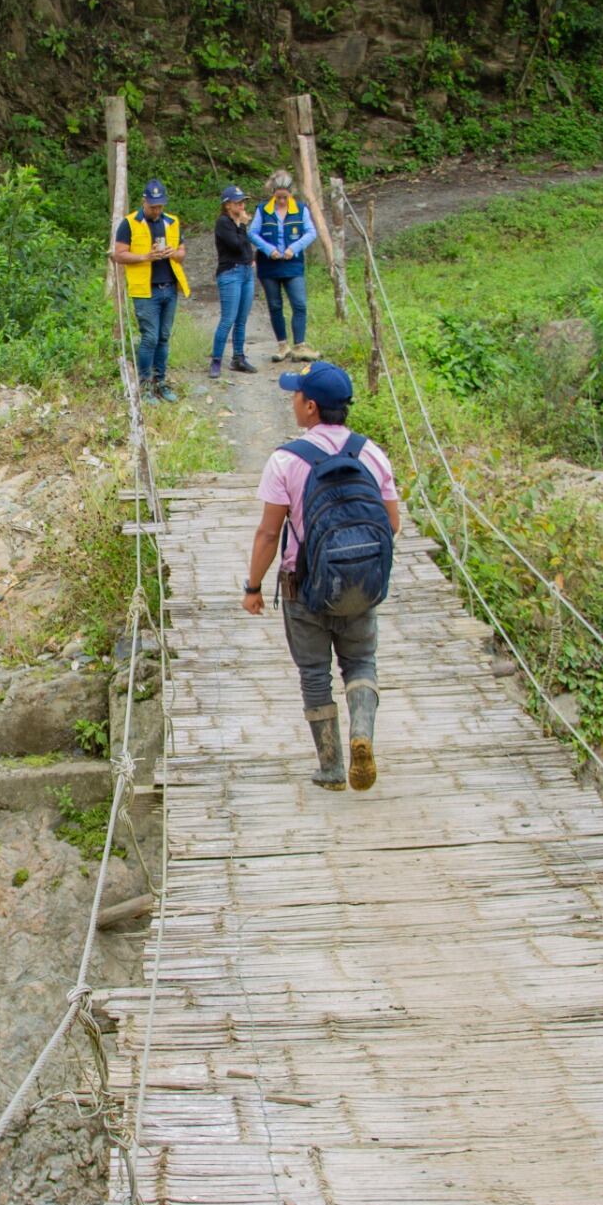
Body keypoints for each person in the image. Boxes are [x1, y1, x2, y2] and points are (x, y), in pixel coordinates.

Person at [241, 361, 401, 791]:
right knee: (361, 662)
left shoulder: (286, 460)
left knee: (315, 674)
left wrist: (253, 586)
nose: (293, 401)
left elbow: (269, 532)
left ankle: (331, 768)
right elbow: (393, 524)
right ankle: (362, 734)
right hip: (362, 585)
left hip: (303, 587)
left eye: (296, 395)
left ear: (310, 407)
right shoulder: (372, 453)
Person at [110, 178, 189, 400]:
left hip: (169, 288)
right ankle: (144, 384)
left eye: (160, 205)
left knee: (164, 336)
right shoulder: (129, 223)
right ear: (144, 201)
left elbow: (182, 253)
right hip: (145, 290)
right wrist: (147, 256)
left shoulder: (172, 222)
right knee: (150, 337)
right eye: (153, 205)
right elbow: (119, 254)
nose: (157, 209)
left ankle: (160, 381)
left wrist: (171, 253)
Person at [251, 170, 317, 366]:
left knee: (299, 303)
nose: (281, 201)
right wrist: (268, 249)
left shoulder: (301, 209)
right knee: (275, 305)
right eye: (278, 197)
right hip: (269, 266)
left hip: (292, 264)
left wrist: (294, 248)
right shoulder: (263, 210)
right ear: (272, 193)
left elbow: (311, 232)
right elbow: (253, 233)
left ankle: (300, 345)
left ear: (291, 194)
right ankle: (282, 345)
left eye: (284, 198)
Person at [209, 184, 260, 381]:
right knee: (228, 318)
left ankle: (238, 357)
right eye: (237, 202)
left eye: (242, 202)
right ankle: (216, 360)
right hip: (231, 272)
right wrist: (240, 224)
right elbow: (236, 245)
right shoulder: (223, 223)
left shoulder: (240, 224)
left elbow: (247, 247)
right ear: (227, 204)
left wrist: (251, 259)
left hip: (246, 271)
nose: (241, 206)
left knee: (242, 318)